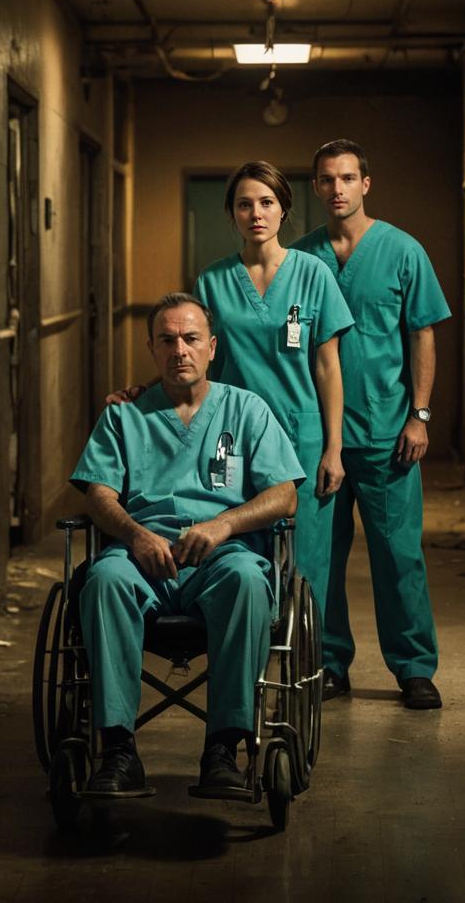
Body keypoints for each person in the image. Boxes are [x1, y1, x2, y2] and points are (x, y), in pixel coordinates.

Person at [71, 292, 304, 796]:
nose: (181, 350)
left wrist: (223, 526)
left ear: (212, 347)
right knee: (102, 579)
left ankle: (223, 748)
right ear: (151, 348)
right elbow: (97, 493)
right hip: (140, 558)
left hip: (220, 557)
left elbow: (284, 496)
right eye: (168, 340)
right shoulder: (123, 416)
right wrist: (135, 534)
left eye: (192, 338)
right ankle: (117, 752)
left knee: (248, 579)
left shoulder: (247, 411)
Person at [112, 161, 354, 624]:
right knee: (243, 551)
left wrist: (334, 447)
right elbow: (201, 357)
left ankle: (313, 669)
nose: (256, 214)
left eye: (266, 203)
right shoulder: (213, 281)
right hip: (233, 439)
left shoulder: (313, 275)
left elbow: (328, 365)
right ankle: (253, 663)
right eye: (245, 205)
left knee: (308, 564)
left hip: (301, 437)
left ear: (284, 209)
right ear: (232, 215)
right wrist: (147, 389)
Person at [291, 139, 452, 710]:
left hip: (388, 436)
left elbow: (422, 333)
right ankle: (329, 662)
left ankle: (413, 667)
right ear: (315, 188)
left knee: (398, 555)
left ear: (366, 183)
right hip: (317, 440)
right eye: (327, 179)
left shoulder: (403, 251)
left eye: (348, 178)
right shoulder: (300, 259)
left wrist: (420, 414)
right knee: (317, 560)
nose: (338, 189)